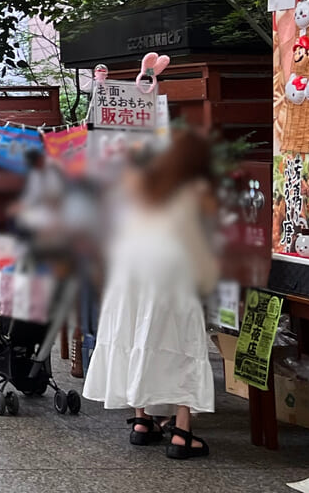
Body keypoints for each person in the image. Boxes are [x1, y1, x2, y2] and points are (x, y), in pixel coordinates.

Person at [82, 131, 219, 459]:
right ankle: (182, 433)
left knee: (134, 340)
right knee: (183, 344)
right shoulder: (194, 189)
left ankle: (142, 422)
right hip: (169, 272)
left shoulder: (137, 185)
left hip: (126, 274)